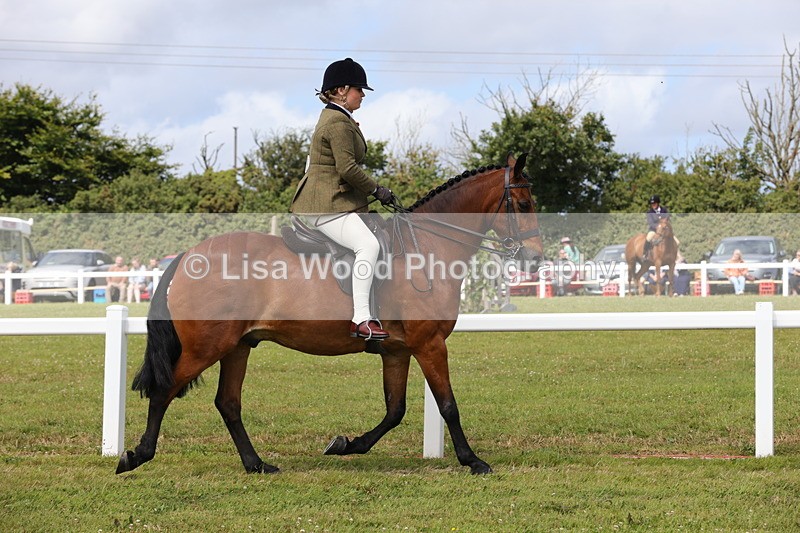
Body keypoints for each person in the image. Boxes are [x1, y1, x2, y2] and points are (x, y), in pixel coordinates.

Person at [290, 58, 394, 341]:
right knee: (368, 246)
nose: (362, 94)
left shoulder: (339, 118)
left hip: (334, 199)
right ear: (342, 90)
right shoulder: (337, 122)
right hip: (326, 203)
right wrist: (376, 190)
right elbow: (347, 169)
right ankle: (361, 319)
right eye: (359, 89)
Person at [644, 195, 670, 259]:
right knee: (648, 238)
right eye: (652, 204)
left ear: (658, 203)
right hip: (654, 230)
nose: (653, 205)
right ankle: (645, 253)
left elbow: (667, 219)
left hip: (664, 230)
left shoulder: (664, 210)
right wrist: (658, 227)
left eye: (654, 203)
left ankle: (675, 255)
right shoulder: (649, 212)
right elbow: (650, 223)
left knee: (676, 241)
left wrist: (664, 226)